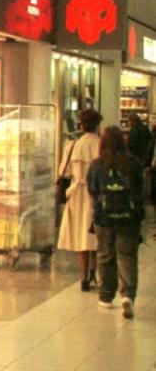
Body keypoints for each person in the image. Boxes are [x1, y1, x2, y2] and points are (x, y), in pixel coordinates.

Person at [88, 125, 145, 318]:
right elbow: (140, 190)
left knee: (105, 254)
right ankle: (127, 295)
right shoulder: (133, 163)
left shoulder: (97, 165)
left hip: (103, 217)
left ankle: (105, 296)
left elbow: (93, 190)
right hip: (129, 217)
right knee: (127, 255)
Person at [57, 108, 103, 291]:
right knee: (96, 235)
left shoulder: (73, 146)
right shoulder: (101, 145)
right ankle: (94, 271)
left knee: (80, 235)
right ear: (98, 125)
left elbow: (64, 172)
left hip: (77, 193)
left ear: (81, 125)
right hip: (96, 194)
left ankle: (83, 275)